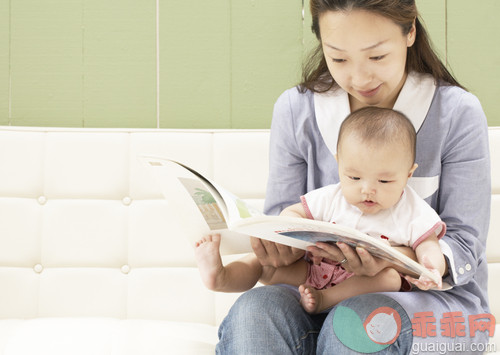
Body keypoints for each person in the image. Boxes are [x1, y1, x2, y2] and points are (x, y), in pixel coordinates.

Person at [216, 1, 491, 354]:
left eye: (377, 57)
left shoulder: (456, 114)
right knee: (255, 312)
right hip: (314, 288)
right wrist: (276, 247)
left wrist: (394, 257)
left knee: (360, 322)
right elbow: (282, 221)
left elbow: (466, 246)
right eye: (339, 59)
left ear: (410, 32)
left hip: (429, 300)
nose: (360, 79)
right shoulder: (296, 110)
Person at [195, 107, 446, 314]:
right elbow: (293, 212)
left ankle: (326, 299)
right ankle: (221, 277)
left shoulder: (412, 209)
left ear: (408, 174)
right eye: (354, 177)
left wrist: (431, 268)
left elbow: (429, 245)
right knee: (263, 265)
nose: (367, 190)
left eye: (384, 182)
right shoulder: (332, 196)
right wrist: (286, 228)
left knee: (391, 277)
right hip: (314, 271)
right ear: (339, 164)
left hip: (367, 285)